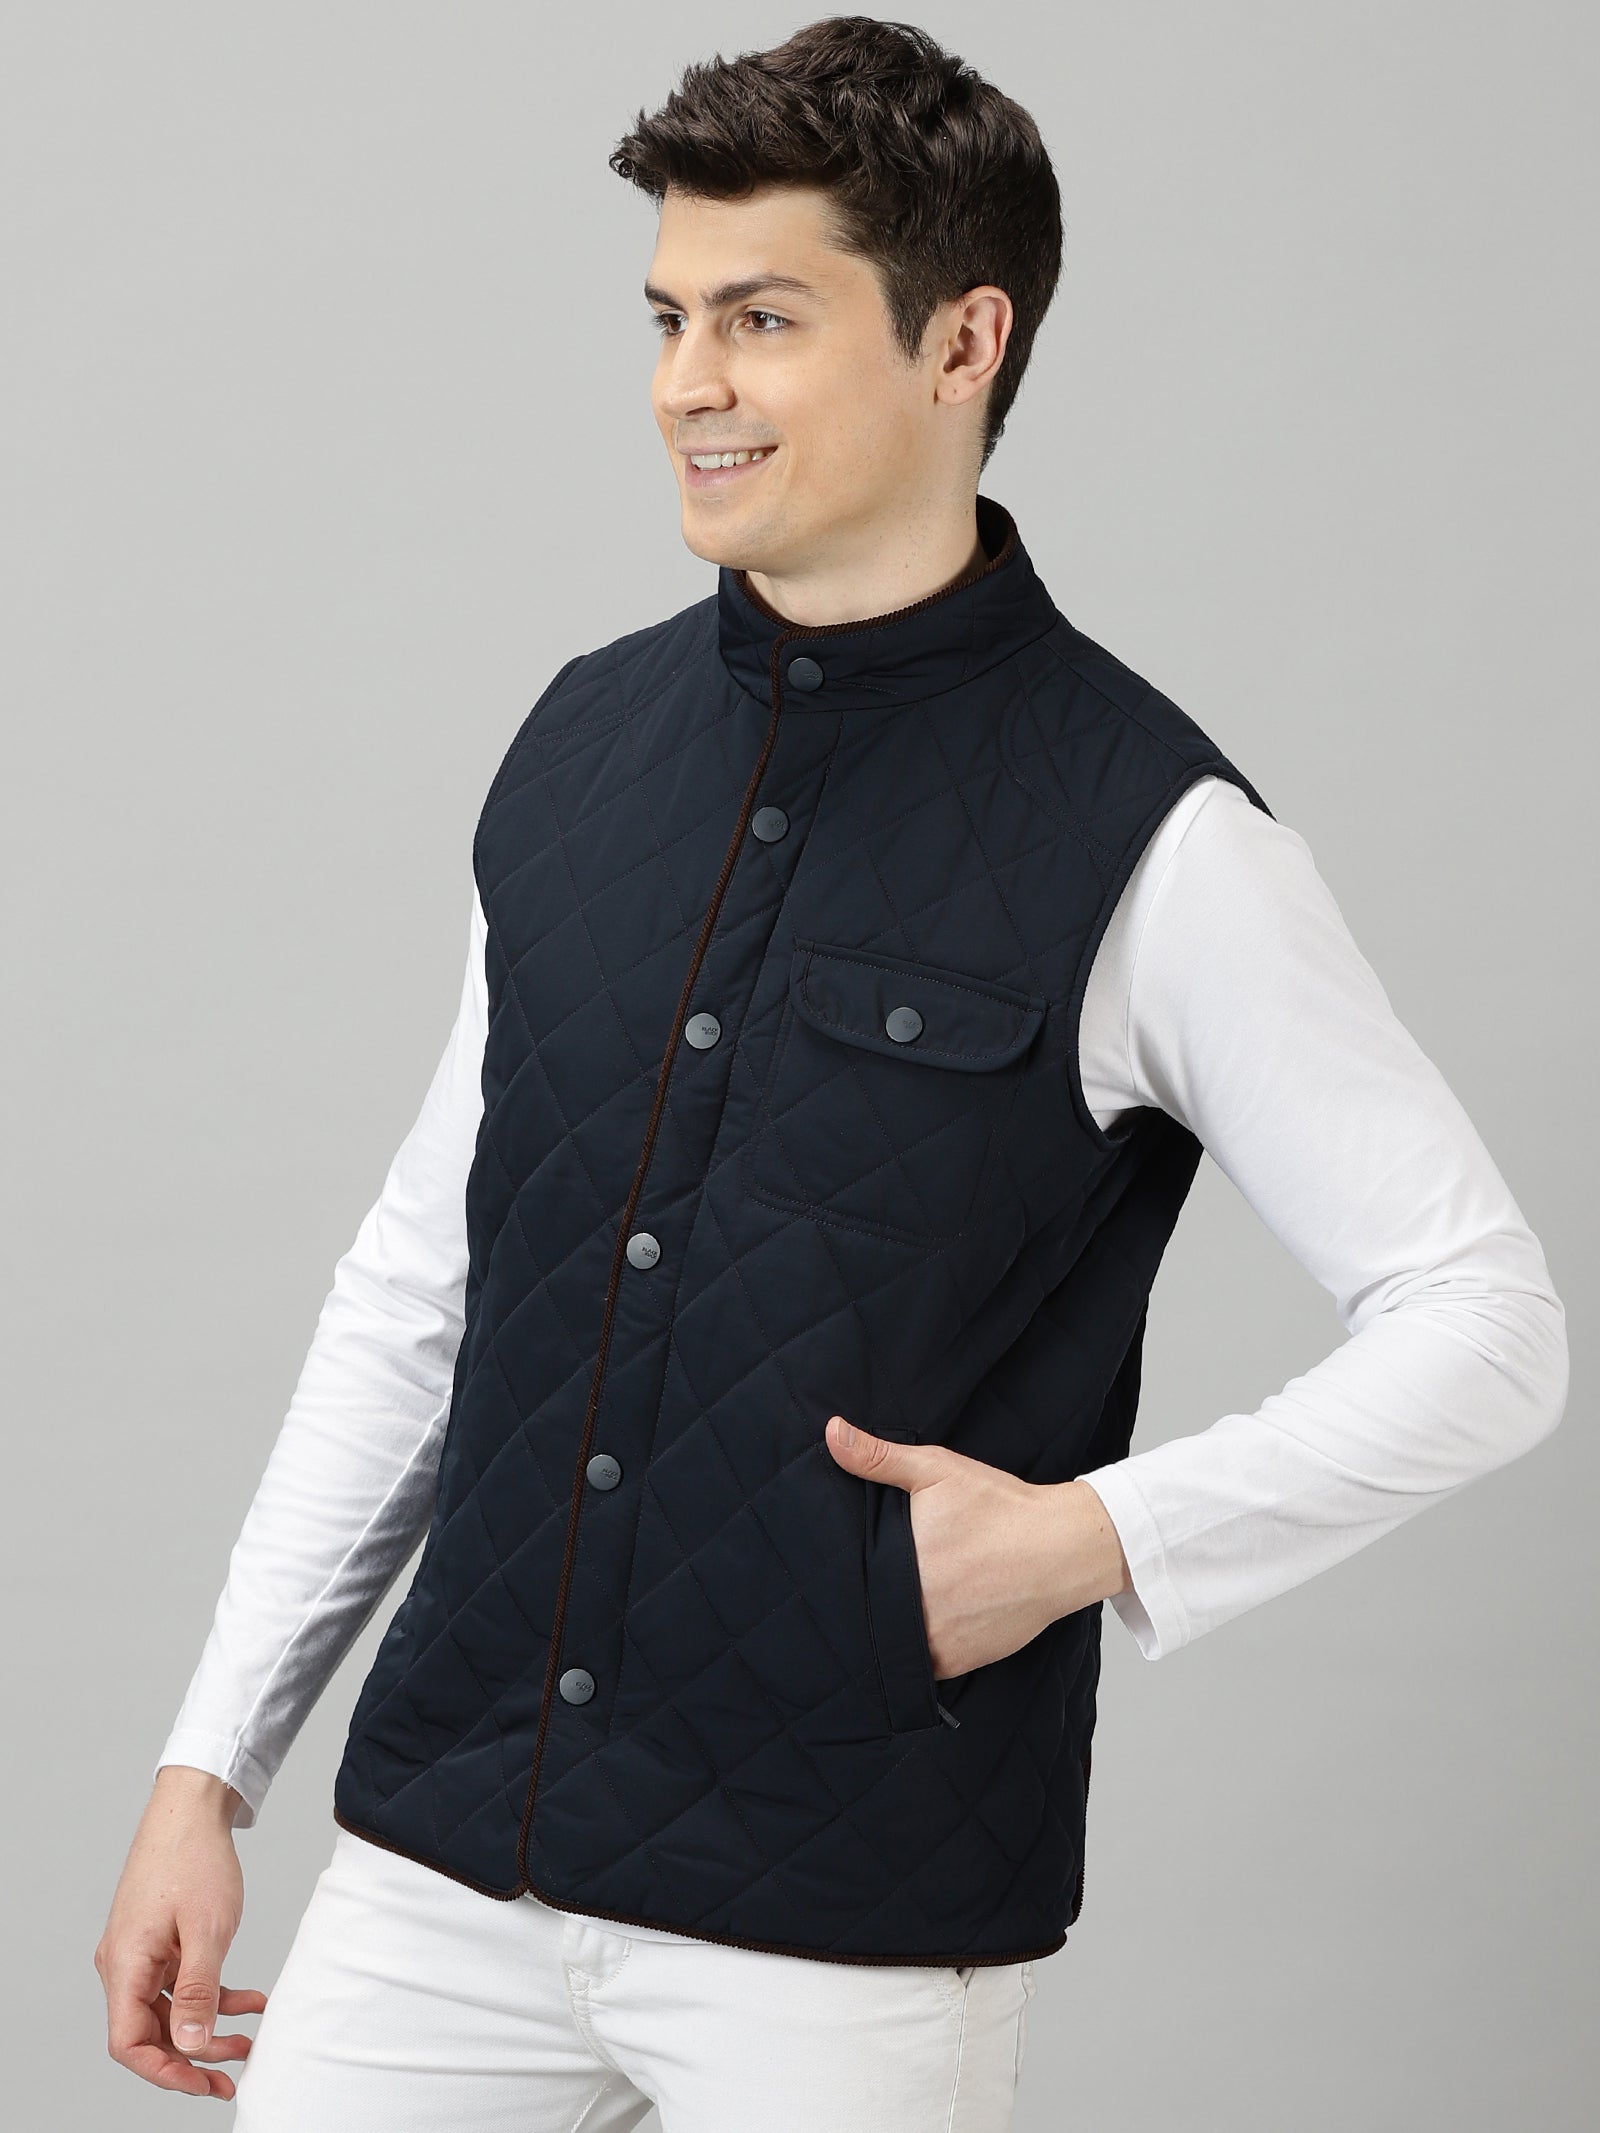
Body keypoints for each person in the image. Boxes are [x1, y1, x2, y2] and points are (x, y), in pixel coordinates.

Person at [94, 17, 1568, 2130]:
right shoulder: (581, 746)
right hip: (446, 1860)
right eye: (669, 317)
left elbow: (1484, 1323)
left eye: (762, 319)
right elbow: (427, 1282)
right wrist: (209, 1762)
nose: (686, 382)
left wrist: (1090, 1538)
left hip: (841, 1926)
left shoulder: (1155, 838)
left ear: (961, 339)